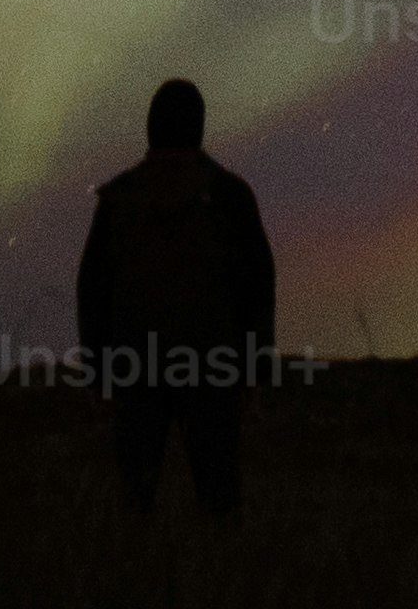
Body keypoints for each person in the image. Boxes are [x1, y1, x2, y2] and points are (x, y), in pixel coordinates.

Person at [72, 76, 275, 517]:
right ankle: (217, 583)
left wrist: (97, 372)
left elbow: (93, 288)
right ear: (200, 127)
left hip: (134, 364)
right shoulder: (230, 195)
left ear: (151, 127)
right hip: (213, 364)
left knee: (136, 499)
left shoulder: (119, 198)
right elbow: (256, 286)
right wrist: (254, 372)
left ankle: (140, 580)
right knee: (219, 498)